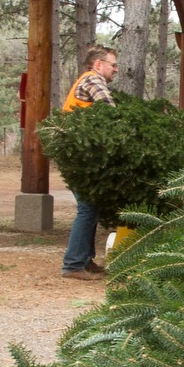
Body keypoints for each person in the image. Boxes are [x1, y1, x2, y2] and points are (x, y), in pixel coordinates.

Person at [60, 45, 119, 281]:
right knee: (87, 207)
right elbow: (109, 110)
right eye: (112, 64)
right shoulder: (93, 80)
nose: (115, 69)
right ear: (98, 64)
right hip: (78, 156)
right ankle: (73, 264)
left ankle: (84, 260)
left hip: (79, 154)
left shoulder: (86, 81)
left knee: (91, 206)